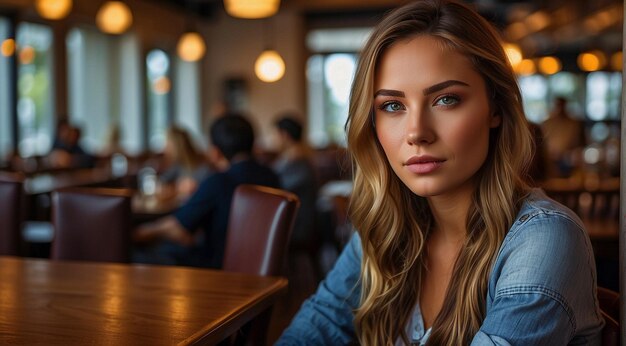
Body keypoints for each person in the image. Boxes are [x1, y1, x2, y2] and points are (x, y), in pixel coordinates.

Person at [277, 1, 603, 345]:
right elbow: (315, 328)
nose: (416, 132)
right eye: (392, 106)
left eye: (446, 99)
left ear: (495, 107)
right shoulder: (385, 231)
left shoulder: (543, 239)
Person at [133, 114, 280, 268]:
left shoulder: (219, 181)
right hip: (262, 270)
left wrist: (139, 233)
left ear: (215, 152)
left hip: (216, 269)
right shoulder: (272, 176)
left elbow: (178, 228)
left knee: (140, 256)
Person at [272, 115, 318, 250]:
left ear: (284, 135)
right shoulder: (299, 156)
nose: (272, 139)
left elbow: (278, 188)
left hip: (297, 225)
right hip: (299, 220)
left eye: (275, 134)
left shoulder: (296, 161)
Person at [159, 126, 211, 200]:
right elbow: (163, 180)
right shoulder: (178, 164)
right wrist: (177, 187)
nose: (165, 148)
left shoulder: (203, 164)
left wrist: (195, 186)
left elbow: (208, 188)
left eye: (168, 144)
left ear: (177, 146)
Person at [541, 97, 585, 178]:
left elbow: (579, 145)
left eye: (562, 105)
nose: (560, 108)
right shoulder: (547, 123)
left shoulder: (573, 124)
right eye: (558, 105)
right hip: (549, 159)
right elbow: (542, 143)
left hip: (568, 160)